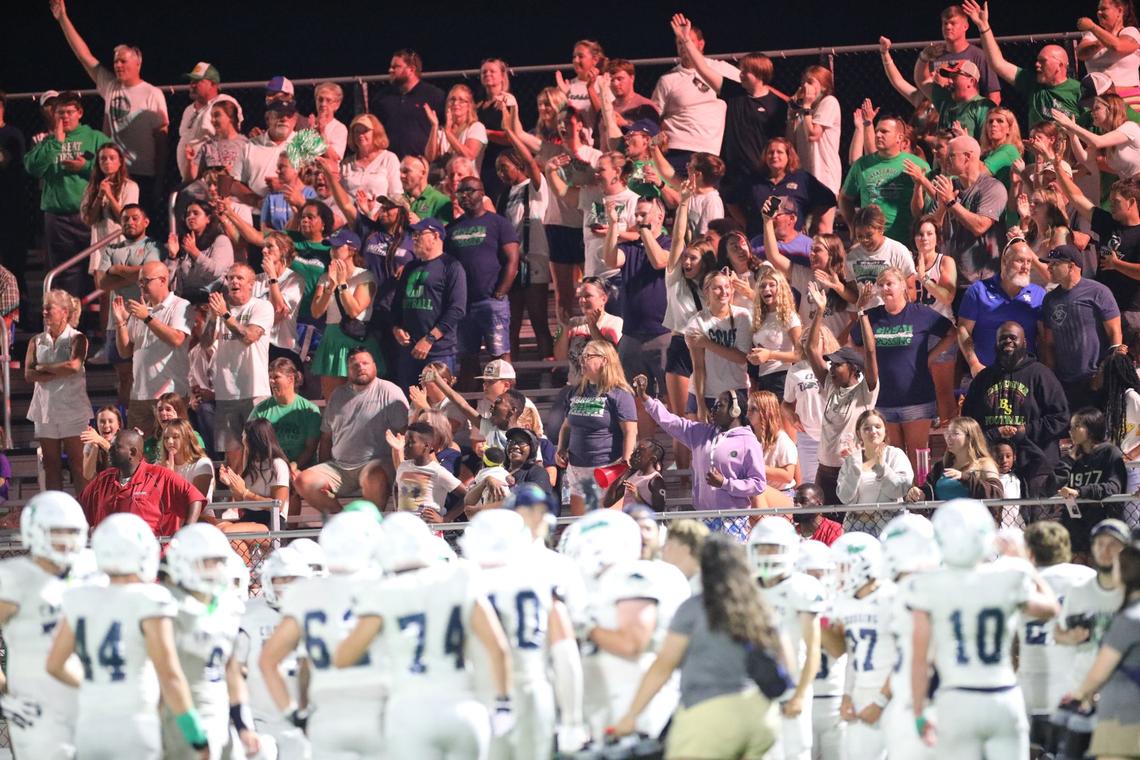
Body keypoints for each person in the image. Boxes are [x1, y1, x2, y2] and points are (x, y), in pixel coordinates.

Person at [333, 513, 513, 758]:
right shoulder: (461, 576)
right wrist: (504, 703)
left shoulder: (382, 592)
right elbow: (498, 648)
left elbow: (344, 657)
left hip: (409, 711)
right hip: (462, 707)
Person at [46, 512, 209, 759]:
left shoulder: (80, 597)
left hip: (90, 725)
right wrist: (196, 735)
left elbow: (55, 664)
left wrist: (98, 684)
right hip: (135, 724)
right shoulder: (150, 599)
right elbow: (170, 676)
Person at [909, 498, 1061, 758]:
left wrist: (920, 713)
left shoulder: (929, 583)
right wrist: (1026, 565)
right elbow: (1051, 608)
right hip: (1003, 697)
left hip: (957, 698)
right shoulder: (1007, 576)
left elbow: (920, 660)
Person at [611, 532, 782, 757]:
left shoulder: (694, 609)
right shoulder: (761, 607)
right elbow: (785, 662)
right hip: (761, 715)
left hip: (708, 714)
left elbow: (664, 665)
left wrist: (631, 715)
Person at [258, 512, 387, 759]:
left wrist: (295, 713)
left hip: (326, 713)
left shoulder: (305, 593)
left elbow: (269, 661)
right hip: (374, 709)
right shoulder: (383, 587)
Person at [51, 0, 169, 213]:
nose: (118, 65)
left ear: (137, 63)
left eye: (123, 61)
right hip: (114, 171)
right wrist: (63, 19)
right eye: (116, 61)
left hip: (143, 173)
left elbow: (161, 140)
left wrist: (160, 178)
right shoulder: (111, 86)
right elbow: (84, 57)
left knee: (139, 227)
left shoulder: (153, 94)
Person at [0, 492, 92, 759]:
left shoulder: (92, 567)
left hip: (89, 702)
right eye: (56, 532)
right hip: (36, 708)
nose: (65, 541)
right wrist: (5, 689)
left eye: (71, 532)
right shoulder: (15, 577)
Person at [160, 524, 260, 759]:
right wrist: (191, 730)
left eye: (218, 562)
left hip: (220, 718)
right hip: (178, 719)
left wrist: (244, 726)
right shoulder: (168, 604)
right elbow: (163, 675)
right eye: (206, 562)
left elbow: (231, 671)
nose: (214, 570)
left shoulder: (229, 606)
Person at [852, 268, 953, 467]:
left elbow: (952, 333)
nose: (885, 288)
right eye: (881, 285)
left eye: (890, 283)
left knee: (918, 455)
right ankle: (897, 498)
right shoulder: (871, 316)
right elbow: (854, 341)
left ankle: (922, 493)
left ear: (902, 286)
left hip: (916, 398)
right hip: (883, 399)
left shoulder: (920, 314)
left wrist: (930, 357)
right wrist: (870, 359)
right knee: (891, 458)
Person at [636, 374, 770, 522]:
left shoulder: (748, 442)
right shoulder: (701, 433)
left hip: (733, 520)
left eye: (720, 405)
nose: (713, 410)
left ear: (735, 411)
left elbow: (758, 484)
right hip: (703, 517)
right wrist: (646, 399)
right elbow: (671, 422)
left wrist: (725, 483)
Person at [670, 13, 785, 183]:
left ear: (760, 74)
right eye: (741, 69)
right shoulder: (733, 92)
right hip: (734, 175)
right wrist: (686, 39)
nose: (741, 74)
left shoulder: (776, 105)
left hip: (762, 177)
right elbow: (702, 68)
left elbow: (782, 143)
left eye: (746, 70)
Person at [962, 320, 1072, 497]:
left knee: (1037, 518)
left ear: (1025, 343)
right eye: (1003, 339)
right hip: (993, 464)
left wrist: (1026, 430)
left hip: (1036, 462)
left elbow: (1061, 416)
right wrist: (993, 434)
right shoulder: (983, 379)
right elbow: (968, 421)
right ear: (996, 344)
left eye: (1013, 338)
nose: (1008, 342)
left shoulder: (1041, 374)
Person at [747, 516, 825, 759]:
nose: (768, 554)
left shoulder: (801, 587)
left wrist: (800, 694)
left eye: (774, 547)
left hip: (792, 686)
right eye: (763, 547)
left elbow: (813, 648)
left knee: (795, 752)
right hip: (756, 689)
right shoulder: (747, 588)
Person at [294, 347, 409, 514]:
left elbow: (404, 432)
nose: (360, 367)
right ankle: (341, 521)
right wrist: (324, 465)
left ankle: (370, 529)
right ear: (348, 370)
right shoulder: (337, 395)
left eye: (365, 363)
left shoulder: (390, 392)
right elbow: (327, 437)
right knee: (303, 480)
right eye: (355, 365)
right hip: (339, 468)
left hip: (375, 464)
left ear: (375, 366)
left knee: (375, 477)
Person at [1053, 518, 1130, 759]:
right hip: (1081, 695)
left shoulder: (1133, 592)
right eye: (1100, 543)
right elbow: (1057, 632)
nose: (1105, 550)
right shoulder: (1079, 590)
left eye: (1113, 545)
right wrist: (1070, 636)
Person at [1018, 521, 1096, 754]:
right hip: (1074, 687)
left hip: (1031, 687)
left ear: (1029, 550)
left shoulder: (1020, 581)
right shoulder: (1087, 576)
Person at [22, 90, 111, 295]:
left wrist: (86, 167)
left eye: (70, 112)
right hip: (58, 217)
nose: (65, 117)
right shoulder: (49, 140)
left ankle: (91, 323)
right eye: (60, 113)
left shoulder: (95, 137)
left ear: (79, 112)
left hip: (89, 215)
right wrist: (57, 141)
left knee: (94, 270)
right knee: (63, 274)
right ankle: (68, 323)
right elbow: (31, 167)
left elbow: (115, 168)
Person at [805, 282, 880, 505]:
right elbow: (811, 350)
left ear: (853, 368)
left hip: (851, 469)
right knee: (824, 524)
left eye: (838, 364)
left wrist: (861, 312)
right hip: (824, 470)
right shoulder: (830, 384)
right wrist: (819, 312)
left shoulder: (865, 391)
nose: (832, 368)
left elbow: (870, 350)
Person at [234, 546, 312, 760]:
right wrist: (241, 722)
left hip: (299, 718)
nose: (287, 586)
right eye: (281, 579)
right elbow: (234, 672)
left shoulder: (313, 612)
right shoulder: (248, 614)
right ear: (268, 580)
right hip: (258, 719)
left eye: (293, 579)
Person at [444, 176, 520, 388]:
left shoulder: (498, 223)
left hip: (491, 301)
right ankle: (471, 408)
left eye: (469, 190)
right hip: (463, 304)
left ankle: (509, 402)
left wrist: (501, 291)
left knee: (499, 356)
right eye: (460, 192)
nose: (464, 195)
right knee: (467, 357)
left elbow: (512, 259)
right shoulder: (451, 228)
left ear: (482, 192)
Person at [826, 532, 896, 760]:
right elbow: (853, 656)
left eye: (843, 567)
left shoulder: (892, 598)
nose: (839, 574)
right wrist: (847, 695)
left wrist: (881, 701)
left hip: (894, 696)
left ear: (863, 566)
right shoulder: (846, 602)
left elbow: (905, 658)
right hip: (862, 693)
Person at [963, 0, 1081, 126]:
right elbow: (997, 64)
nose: (1037, 65)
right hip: (1037, 145)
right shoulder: (1032, 84)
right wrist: (983, 27)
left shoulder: (1078, 90)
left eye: (1043, 61)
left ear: (1060, 66)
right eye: (1037, 60)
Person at [555, 339, 638, 515]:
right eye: (582, 356)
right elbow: (566, 426)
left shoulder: (620, 394)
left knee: (608, 524)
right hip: (577, 468)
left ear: (604, 360)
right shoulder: (576, 391)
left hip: (607, 468)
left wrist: (626, 461)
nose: (582, 360)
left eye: (588, 356)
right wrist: (561, 448)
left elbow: (630, 430)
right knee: (582, 525)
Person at [203, 264, 273, 469]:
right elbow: (206, 343)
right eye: (231, 278)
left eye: (240, 278)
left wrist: (225, 315)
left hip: (254, 390)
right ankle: (236, 500)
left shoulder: (261, 307)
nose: (234, 282)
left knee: (260, 451)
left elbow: (249, 337)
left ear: (251, 284)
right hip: (225, 392)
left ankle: (262, 498)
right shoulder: (220, 308)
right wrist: (213, 318)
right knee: (232, 455)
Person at [1039, 244, 1123, 411]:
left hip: (1096, 379)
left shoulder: (1098, 292)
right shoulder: (1050, 299)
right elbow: (1048, 343)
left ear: (1071, 266)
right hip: (1065, 382)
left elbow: (1115, 334)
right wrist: (1051, 378)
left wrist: (1104, 372)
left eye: (1054, 264)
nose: (1049, 267)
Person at [655, 15, 741, 175]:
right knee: (678, 199)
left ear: (701, 44)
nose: (683, 46)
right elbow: (655, 115)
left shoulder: (720, 69)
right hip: (676, 151)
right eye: (679, 43)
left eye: (687, 41)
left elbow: (754, 85)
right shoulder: (667, 79)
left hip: (709, 152)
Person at [112, 260, 193, 428]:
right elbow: (126, 352)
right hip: (139, 395)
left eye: (146, 281)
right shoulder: (141, 310)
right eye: (139, 281)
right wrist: (120, 323)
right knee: (137, 450)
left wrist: (147, 318)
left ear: (163, 280)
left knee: (173, 445)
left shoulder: (180, 305)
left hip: (170, 394)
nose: (141, 285)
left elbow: (177, 339)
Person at [1055, 173, 1140, 333]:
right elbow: (1077, 198)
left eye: (1117, 202)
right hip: (1102, 306)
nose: (1111, 206)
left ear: (1132, 203)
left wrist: (1116, 264)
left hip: (1131, 313)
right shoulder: (1108, 223)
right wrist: (1057, 166)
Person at [79, 429, 205, 536]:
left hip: (150, 557)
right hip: (110, 558)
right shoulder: (103, 479)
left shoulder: (160, 475)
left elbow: (195, 498)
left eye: (115, 447)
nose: (109, 450)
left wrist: (187, 533)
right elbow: (78, 507)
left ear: (132, 452)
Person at [27, 288, 91, 493]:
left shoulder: (78, 338)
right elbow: (29, 374)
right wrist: (59, 370)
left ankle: (85, 515)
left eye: (49, 309)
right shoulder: (36, 340)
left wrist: (44, 368)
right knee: (51, 465)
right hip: (45, 410)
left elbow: (74, 366)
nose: (44, 312)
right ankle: (55, 515)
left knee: (78, 466)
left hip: (73, 409)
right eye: (44, 309)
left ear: (64, 311)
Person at [309, 228, 381, 399]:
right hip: (332, 339)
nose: (332, 251)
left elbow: (354, 310)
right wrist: (330, 287)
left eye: (337, 247)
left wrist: (342, 283)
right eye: (331, 247)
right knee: (332, 400)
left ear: (352, 249)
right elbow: (316, 312)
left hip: (356, 340)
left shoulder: (365, 276)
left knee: (362, 399)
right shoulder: (325, 278)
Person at [957, 237, 1045, 375]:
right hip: (986, 373)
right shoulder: (978, 290)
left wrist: (1044, 372)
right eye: (1020, 260)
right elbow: (963, 331)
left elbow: (1045, 339)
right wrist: (974, 364)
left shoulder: (1039, 294)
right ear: (1004, 261)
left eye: (1029, 261)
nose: (1026, 266)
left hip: (1026, 375)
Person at [839, 116, 930, 243]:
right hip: (869, 242)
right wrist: (853, 227)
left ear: (899, 137)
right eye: (876, 131)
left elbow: (929, 206)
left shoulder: (917, 165)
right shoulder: (862, 164)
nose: (878, 135)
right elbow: (844, 198)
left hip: (905, 242)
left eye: (884, 131)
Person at [1054, 408, 1129, 549]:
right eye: (1071, 427)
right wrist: (1069, 460)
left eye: (1077, 426)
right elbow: (1050, 487)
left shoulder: (1109, 453)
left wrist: (1080, 492)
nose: (1071, 431)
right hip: (1076, 527)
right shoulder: (1072, 457)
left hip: (1102, 524)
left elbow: (1113, 486)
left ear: (1092, 428)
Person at [684, 269, 752, 421]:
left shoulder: (742, 316)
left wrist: (707, 343)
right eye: (717, 288)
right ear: (706, 291)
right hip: (706, 393)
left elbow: (741, 357)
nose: (723, 292)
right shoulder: (696, 323)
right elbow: (698, 367)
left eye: (726, 287)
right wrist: (701, 405)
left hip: (736, 389)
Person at [837, 409, 914, 533]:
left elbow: (899, 489)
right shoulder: (852, 459)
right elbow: (845, 497)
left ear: (885, 430)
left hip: (889, 527)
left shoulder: (896, 455)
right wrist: (854, 468)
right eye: (867, 428)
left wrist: (882, 468)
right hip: (856, 528)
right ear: (859, 432)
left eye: (878, 427)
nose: (873, 431)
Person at [788, 65, 843, 223]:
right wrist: (792, 114)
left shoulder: (829, 102)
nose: (805, 86)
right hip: (805, 174)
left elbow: (813, 134)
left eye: (811, 82)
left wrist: (806, 106)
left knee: (822, 225)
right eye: (804, 82)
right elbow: (790, 142)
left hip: (823, 174)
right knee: (804, 225)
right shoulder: (803, 111)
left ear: (824, 86)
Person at [249, 357, 323, 472]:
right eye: (270, 377)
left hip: (300, 468)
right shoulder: (260, 410)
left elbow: (310, 448)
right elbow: (249, 444)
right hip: (270, 469)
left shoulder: (309, 410)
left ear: (291, 379)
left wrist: (291, 467)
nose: (271, 381)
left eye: (276, 377)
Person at [907, 416, 1003, 502]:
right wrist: (918, 494)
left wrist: (965, 478)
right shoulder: (941, 467)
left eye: (955, 433)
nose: (949, 437)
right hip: (944, 520)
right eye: (947, 433)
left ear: (970, 437)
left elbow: (996, 493)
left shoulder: (984, 464)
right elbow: (929, 493)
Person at [217, 418, 290, 528]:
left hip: (271, 521)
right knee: (220, 529)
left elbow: (278, 505)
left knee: (228, 532)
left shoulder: (278, 464)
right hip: (250, 516)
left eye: (245, 437)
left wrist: (246, 493)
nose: (243, 440)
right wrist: (232, 484)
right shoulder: (250, 463)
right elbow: (241, 504)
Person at [374, 49, 446, 159]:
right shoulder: (382, 98)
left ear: (411, 69)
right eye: (391, 67)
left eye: (396, 67)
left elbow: (443, 128)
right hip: (389, 163)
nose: (390, 70)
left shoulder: (434, 95)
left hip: (422, 163)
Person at [1053, 93, 1140, 181]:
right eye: (1092, 109)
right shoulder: (1107, 137)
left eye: (1097, 108)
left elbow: (1098, 142)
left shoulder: (1130, 127)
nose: (1092, 112)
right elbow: (1085, 158)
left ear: (1111, 109)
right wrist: (1072, 135)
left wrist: (1071, 125)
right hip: (1131, 187)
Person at [167, 200, 234, 302]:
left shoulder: (221, 240)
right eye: (188, 214)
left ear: (208, 218)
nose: (190, 217)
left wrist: (195, 252)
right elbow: (168, 280)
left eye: (196, 213)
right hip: (186, 302)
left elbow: (215, 271)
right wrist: (172, 256)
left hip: (214, 302)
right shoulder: (183, 244)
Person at [749, 267, 802, 395]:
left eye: (772, 285)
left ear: (781, 288)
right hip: (763, 378)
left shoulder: (789, 316)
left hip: (782, 377)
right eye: (762, 286)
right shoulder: (760, 317)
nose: (766, 289)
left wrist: (770, 355)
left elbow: (801, 354)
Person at [1078, 0, 1140, 107]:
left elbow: (1119, 47)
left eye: (1104, 9)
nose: (1099, 13)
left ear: (1119, 11)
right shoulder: (1091, 35)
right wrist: (1106, 36)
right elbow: (1081, 54)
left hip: (1128, 98)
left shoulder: (1131, 32)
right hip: (1099, 101)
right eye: (1098, 9)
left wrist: (1093, 27)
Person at [176, 62, 223, 182]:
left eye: (197, 81)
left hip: (210, 180)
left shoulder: (223, 103)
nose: (192, 85)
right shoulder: (188, 110)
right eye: (191, 81)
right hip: (188, 178)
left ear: (213, 84)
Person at [748, 390, 799, 499]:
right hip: (758, 493)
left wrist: (756, 468)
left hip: (782, 494)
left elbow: (788, 476)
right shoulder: (748, 437)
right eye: (748, 408)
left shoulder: (782, 439)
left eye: (753, 409)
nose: (748, 413)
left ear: (766, 412)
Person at [338, 114, 402, 201]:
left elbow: (396, 194)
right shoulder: (346, 163)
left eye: (365, 131)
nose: (360, 135)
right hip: (350, 214)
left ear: (376, 132)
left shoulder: (389, 158)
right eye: (357, 131)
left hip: (379, 213)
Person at [425, 84, 488, 172]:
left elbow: (469, 156)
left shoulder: (476, 127)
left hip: (466, 183)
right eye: (452, 99)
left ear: (469, 105)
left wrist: (449, 133)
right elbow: (430, 157)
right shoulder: (441, 131)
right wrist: (434, 126)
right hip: (443, 184)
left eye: (461, 100)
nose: (455, 103)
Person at [155, 419, 214, 502]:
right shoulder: (159, 465)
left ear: (187, 438)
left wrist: (171, 476)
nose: (169, 442)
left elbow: (195, 502)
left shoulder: (202, 464)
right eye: (166, 438)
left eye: (175, 437)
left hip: (200, 515)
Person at [81, 405, 122, 481]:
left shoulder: (126, 440)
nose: (106, 425)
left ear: (118, 424)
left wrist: (101, 441)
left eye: (110, 421)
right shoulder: (92, 443)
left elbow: (123, 463)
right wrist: (95, 447)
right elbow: (87, 475)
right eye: (102, 422)